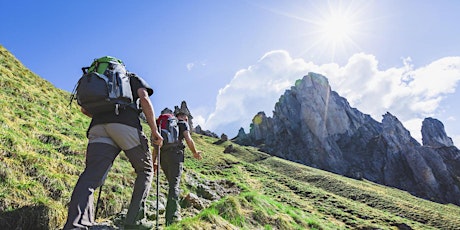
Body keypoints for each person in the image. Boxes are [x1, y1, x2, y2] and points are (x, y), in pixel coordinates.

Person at [63, 68, 163, 229]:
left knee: (90, 177)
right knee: (146, 170)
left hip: (98, 127)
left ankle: (76, 225)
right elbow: (144, 99)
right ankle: (134, 221)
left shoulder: (99, 81)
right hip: (126, 125)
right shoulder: (131, 78)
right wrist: (154, 130)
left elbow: (84, 109)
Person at [155, 107, 202, 226]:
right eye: (186, 118)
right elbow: (188, 139)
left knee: (171, 184)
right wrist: (195, 152)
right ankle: (172, 218)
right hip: (175, 155)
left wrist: (154, 162)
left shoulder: (163, 125)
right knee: (174, 185)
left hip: (163, 156)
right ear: (183, 117)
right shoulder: (182, 123)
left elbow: (156, 145)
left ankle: (170, 213)